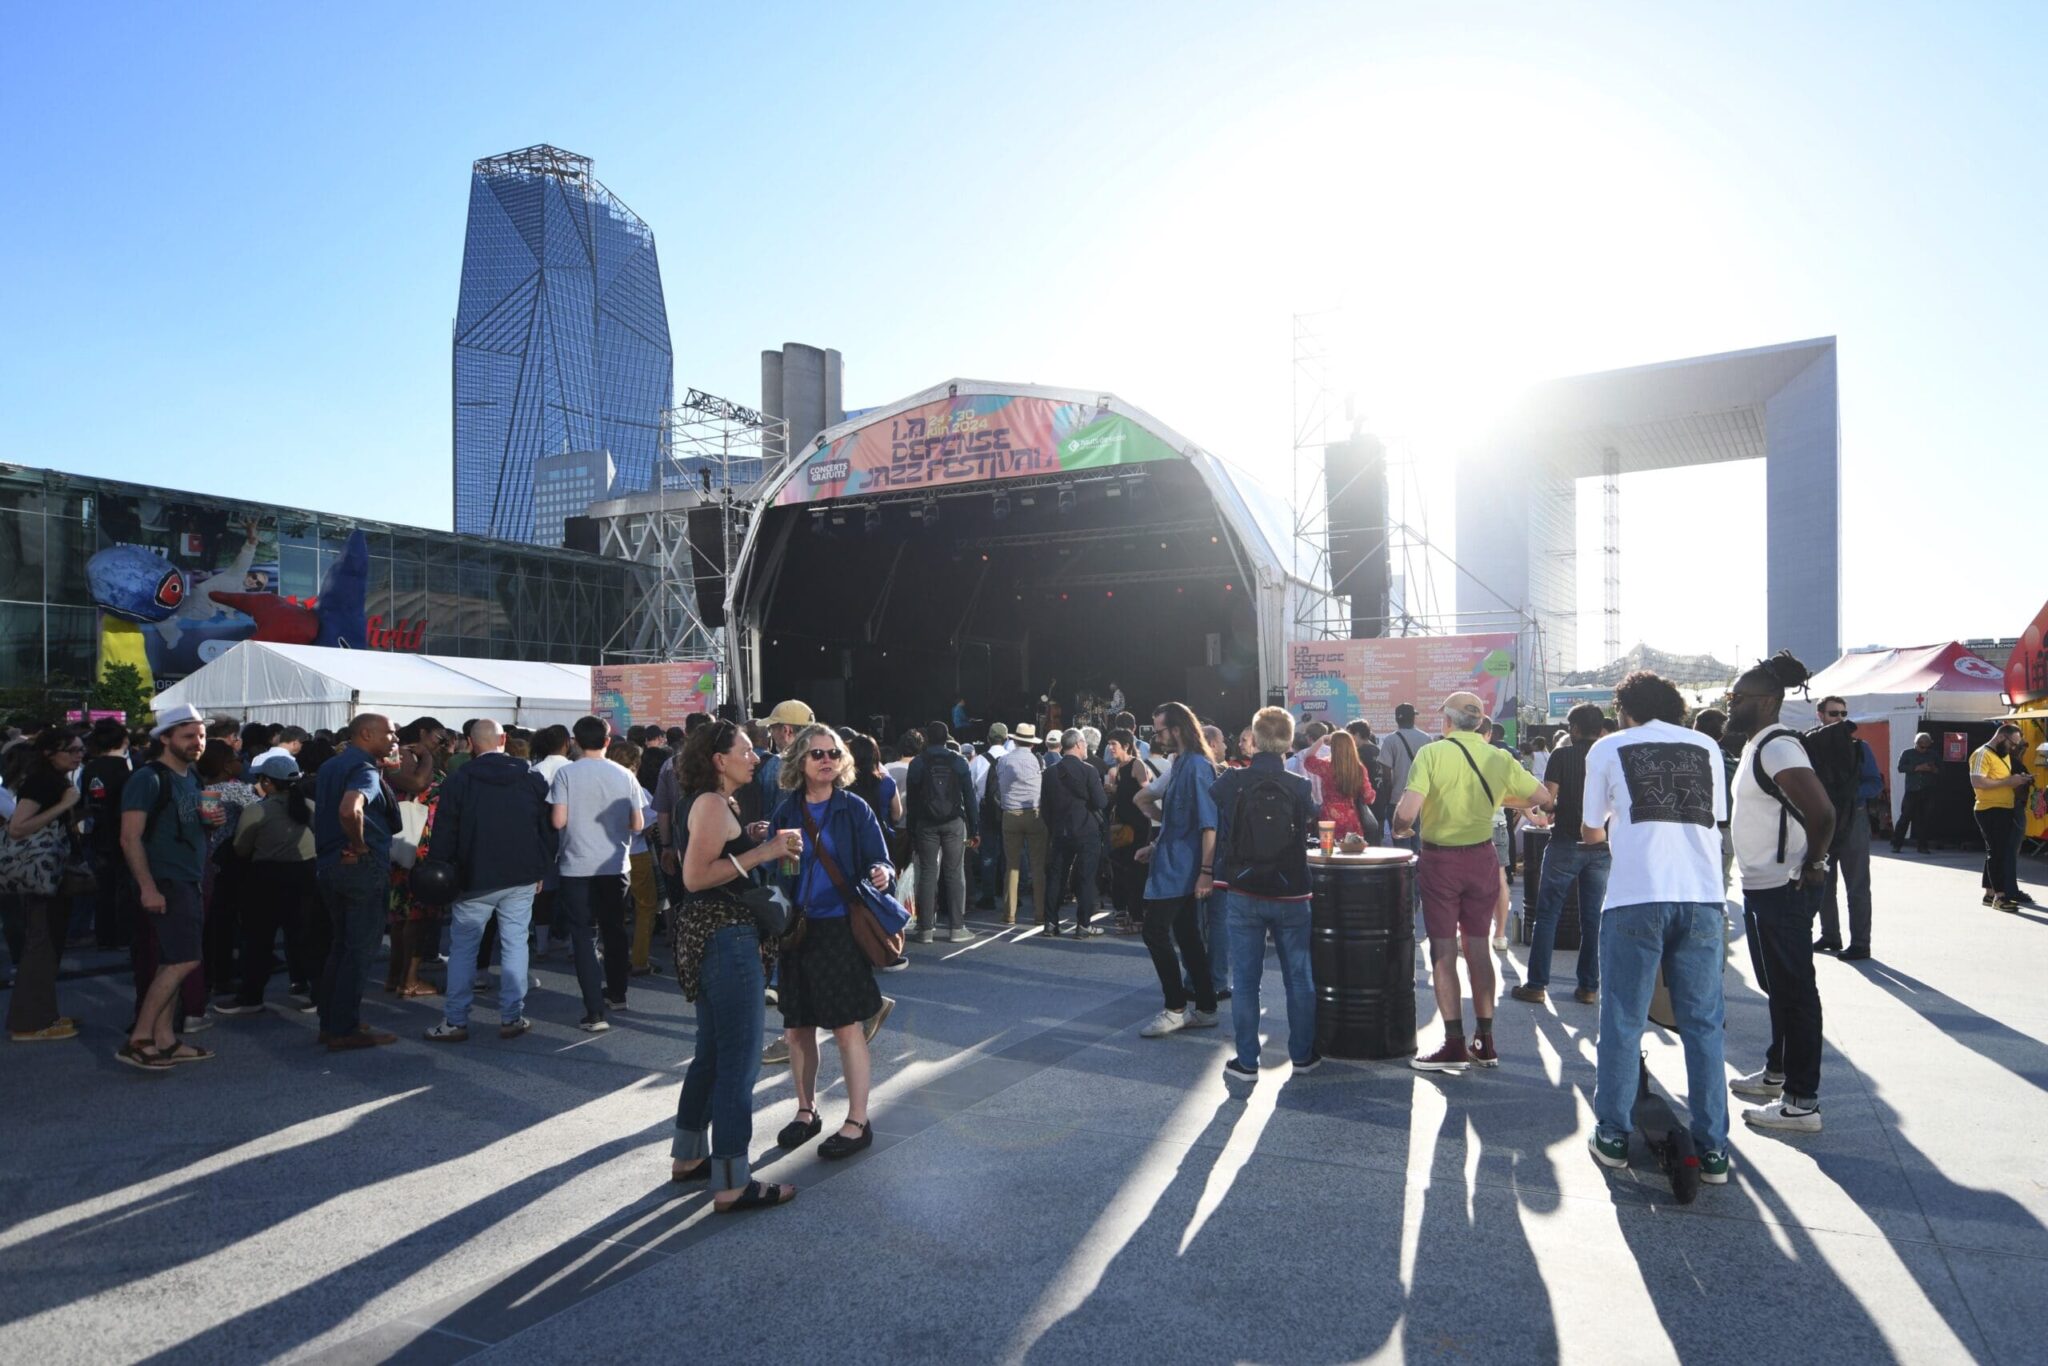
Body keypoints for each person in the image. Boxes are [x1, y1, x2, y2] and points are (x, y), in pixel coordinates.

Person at [1577, 672, 1732, 1185]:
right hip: (1704, 896)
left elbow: (1591, 827)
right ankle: (1713, 1151)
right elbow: (1715, 819)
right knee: (1703, 1024)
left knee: (1622, 1019)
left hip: (1635, 897)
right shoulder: (1706, 744)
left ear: (1624, 709)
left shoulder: (1609, 747)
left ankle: (1614, 1134)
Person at [670, 719, 798, 1211]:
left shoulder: (713, 804)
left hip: (716, 937)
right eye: (747, 749)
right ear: (718, 760)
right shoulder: (707, 802)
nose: (756, 755)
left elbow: (716, 855)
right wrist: (764, 849)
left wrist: (747, 837)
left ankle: (688, 1157)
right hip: (726, 938)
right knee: (738, 1063)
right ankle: (731, 1180)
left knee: (712, 1052)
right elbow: (696, 877)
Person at [1390, 691, 1553, 1072]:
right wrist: (1500, 798)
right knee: (1478, 948)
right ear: (1481, 725)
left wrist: (1401, 827)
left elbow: (1408, 811)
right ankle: (1485, 1040)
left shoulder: (1432, 754)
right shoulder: (1499, 757)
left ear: (1446, 721)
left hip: (1441, 861)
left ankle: (1453, 1043)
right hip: (1483, 858)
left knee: (1443, 951)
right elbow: (1544, 799)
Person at [770, 723, 895, 1161]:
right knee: (797, 1027)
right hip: (796, 926)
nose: (827, 760)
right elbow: (775, 866)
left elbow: (881, 857)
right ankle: (806, 1111)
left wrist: (882, 871)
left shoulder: (854, 808)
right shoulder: (787, 809)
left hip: (841, 925)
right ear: (800, 761)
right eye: (817, 754)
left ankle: (858, 1120)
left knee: (846, 1028)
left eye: (833, 753)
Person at [1727, 651, 1837, 1134]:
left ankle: (1802, 1103)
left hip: (1784, 887)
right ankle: (1777, 1074)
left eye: (1739, 697)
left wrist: (1813, 862)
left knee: (1795, 992)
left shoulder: (1777, 747)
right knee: (1778, 988)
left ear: (1768, 701)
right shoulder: (1757, 744)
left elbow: (1824, 813)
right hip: (1762, 886)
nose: (1731, 703)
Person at [423, 719, 558, 1042]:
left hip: (472, 878)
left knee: (464, 949)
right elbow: (547, 830)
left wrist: (440, 870)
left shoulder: (458, 780)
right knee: (514, 944)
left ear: (470, 742)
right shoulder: (530, 777)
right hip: (521, 875)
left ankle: (455, 1020)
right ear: (504, 739)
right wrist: (541, 869)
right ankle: (512, 1015)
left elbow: (443, 832)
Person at [1211, 706, 1321, 1077]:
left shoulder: (1231, 781)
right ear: (1289, 742)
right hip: (1292, 892)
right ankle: (1303, 1056)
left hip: (1243, 889)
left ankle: (1246, 1061)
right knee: (1300, 978)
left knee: (1245, 980)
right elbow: (1313, 820)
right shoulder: (1300, 786)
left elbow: (1216, 809)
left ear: (1254, 740)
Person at [117, 705, 221, 1068]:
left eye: (201, 735)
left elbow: (189, 825)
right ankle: (140, 1038)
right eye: (188, 736)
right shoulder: (148, 778)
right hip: (166, 880)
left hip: (188, 877)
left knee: (172, 961)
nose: (198, 742)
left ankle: (164, 1038)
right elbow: (130, 838)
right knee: (184, 959)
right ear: (165, 738)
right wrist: (147, 887)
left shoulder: (191, 777)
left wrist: (211, 824)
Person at [312, 713, 401, 1053]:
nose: (395, 739)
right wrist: (361, 845)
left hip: (331, 865)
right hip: (360, 866)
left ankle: (332, 1021)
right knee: (359, 949)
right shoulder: (363, 769)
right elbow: (350, 810)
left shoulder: (333, 765)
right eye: (391, 733)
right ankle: (343, 1028)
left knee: (341, 946)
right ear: (366, 734)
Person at [550, 715, 643, 1032]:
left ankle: (594, 1012)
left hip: (577, 865)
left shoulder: (566, 773)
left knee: (584, 935)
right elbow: (638, 824)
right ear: (608, 741)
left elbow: (558, 821)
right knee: (615, 928)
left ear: (574, 741)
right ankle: (618, 994)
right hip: (616, 864)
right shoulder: (625, 775)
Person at [1513, 705, 1610, 1006]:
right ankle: (1589, 987)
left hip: (1565, 842)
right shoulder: (1612, 758)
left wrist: (1551, 809)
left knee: (1547, 916)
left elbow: (1548, 801)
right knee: (1593, 918)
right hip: (1603, 847)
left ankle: (1537, 985)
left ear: (1575, 729)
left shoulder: (1562, 756)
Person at [1134, 702, 1220, 1038]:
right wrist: (1155, 847)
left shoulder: (1197, 766)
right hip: (1174, 861)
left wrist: (1206, 871)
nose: (1157, 737)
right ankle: (1206, 1007)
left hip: (1182, 868)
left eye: (1160, 731)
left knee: (1155, 931)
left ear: (1177, 729)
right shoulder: (1184, 762)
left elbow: (1208, 823)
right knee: (1186, 935)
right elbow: (1182, 821)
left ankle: (1176, 1007)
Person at [215, 755, 321, 1014]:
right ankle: (317, 994)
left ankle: (251, 996)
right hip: (306, 874)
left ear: (267, 782)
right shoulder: (309, 806)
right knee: (305, 938)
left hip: (266, 877)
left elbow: (241, 848)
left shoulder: (257, 810)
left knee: (259, 940)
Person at [4, 729, 86, 1041]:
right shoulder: (43, 782)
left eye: (80, 750)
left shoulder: (54, 779)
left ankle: (43, 1013)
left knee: (49, 943)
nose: (79, 756)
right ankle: (29, 1021)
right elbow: (18, 827)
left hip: (53, 870)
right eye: (72, 750)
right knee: (41, 944)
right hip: (42, 873)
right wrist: (65, 804)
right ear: (50, 753)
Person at [1813, 696, 1876, 959]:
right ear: (1820, 715)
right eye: (1833, 713)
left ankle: (1860, 942)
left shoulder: (1861, 748)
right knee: (1822, 882)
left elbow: (1875, 783)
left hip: (1854, 819)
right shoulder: (1812, 746)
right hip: (1825, 820)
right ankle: (1830, 935)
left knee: (1857, 884)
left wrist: (1847, 795)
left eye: (1843, 713)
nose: (1839, 718)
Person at [905, 719, 978, 943]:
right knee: (955, 872)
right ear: (947, 738)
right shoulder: (958, 761)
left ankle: (925, 929)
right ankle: (957, 928)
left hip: (926, 823)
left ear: (927, 738)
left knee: (927, 874)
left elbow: (913, 800)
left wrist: (912, 829)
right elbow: (969, 797)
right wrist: (975, 828)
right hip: (954, 822)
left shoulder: (918, 762)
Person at [1040, 728, 1107, 937]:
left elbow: (1045, 807)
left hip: (1061, 830)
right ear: (1078, 744)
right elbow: (1101, 802)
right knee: (1086, 878)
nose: (1086, 747)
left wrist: (1054, 827)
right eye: (1085, 744)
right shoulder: (1089, 771)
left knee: (1055, 877)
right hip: (1087, 830)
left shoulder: (1050, 772)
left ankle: (1050, 923)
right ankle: (1083, 925)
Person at [80, 719, 136, 950]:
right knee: (124, 887)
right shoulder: (127, 769)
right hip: (123, 832)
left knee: (104, 888)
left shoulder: (90, 769)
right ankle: (123, 934)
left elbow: (87, 800)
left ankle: (104, 935)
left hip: (98, 832)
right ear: (123, 740)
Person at [1970, 723, 2033, 912]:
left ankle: (1990, 894)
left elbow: (2000, 780)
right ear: (2001, 737)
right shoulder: (1982, 754)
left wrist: (2019, 779)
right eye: (2013, 743)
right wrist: (2009, 781)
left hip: (2003, 807)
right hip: (1990, 808)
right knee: (1998, 853)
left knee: (1996, 851)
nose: (2014, 748)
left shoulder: (2002, 754)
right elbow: (1977, 781)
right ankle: (2000, 897)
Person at [994, 723, 1050, 929]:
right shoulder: (1038, 760)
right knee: (1037, 866)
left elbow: (1000, 783)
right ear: (1032, 744)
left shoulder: (1004, 760)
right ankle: (1040, 914)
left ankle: (1009, 914)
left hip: (1010, 814)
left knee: (1012, 866)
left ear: (1015, 740)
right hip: (1034, 814)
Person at [1301, 728, 1376, 841]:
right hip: (1351, 818)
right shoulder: (1359, 768)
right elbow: (1368, 797)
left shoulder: (1326, 767)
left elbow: (1307, 759)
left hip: (1328, 818)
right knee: (1352, 853)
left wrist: (1322, 739)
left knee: (1328, 853)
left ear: (1333, 748)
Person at [1383, 703, 1432, 850]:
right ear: (1413, 718)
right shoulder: (1426, 738)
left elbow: (1386, 772)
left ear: (1396, 719)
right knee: (1418, 841)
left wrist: (1389, 796)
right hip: (1422, 799)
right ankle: (1417, 871)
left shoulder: (1390, 740)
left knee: (1401, 845)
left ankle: (1405, 872)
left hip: (1398, 799)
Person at [756, 700, 818, 810]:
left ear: (786, 730)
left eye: (771, 728)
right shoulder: (825, 762)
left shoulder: (777, 765)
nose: (771, 735)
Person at [1892, 732, 1938, 854]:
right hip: (1912, 791)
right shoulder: (1907, 753)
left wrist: (1932, 769)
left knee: (1924, 819)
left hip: (1927, 790)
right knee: (1905, 818)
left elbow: (1941, 770)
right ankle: (1896, 844)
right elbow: (1900, 768)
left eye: (1927, 747)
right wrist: (1916, 768)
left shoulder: (1933, 755)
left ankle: (1922, 846)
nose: (1924, 750)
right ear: (1916, 744)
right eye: (1922, 747)